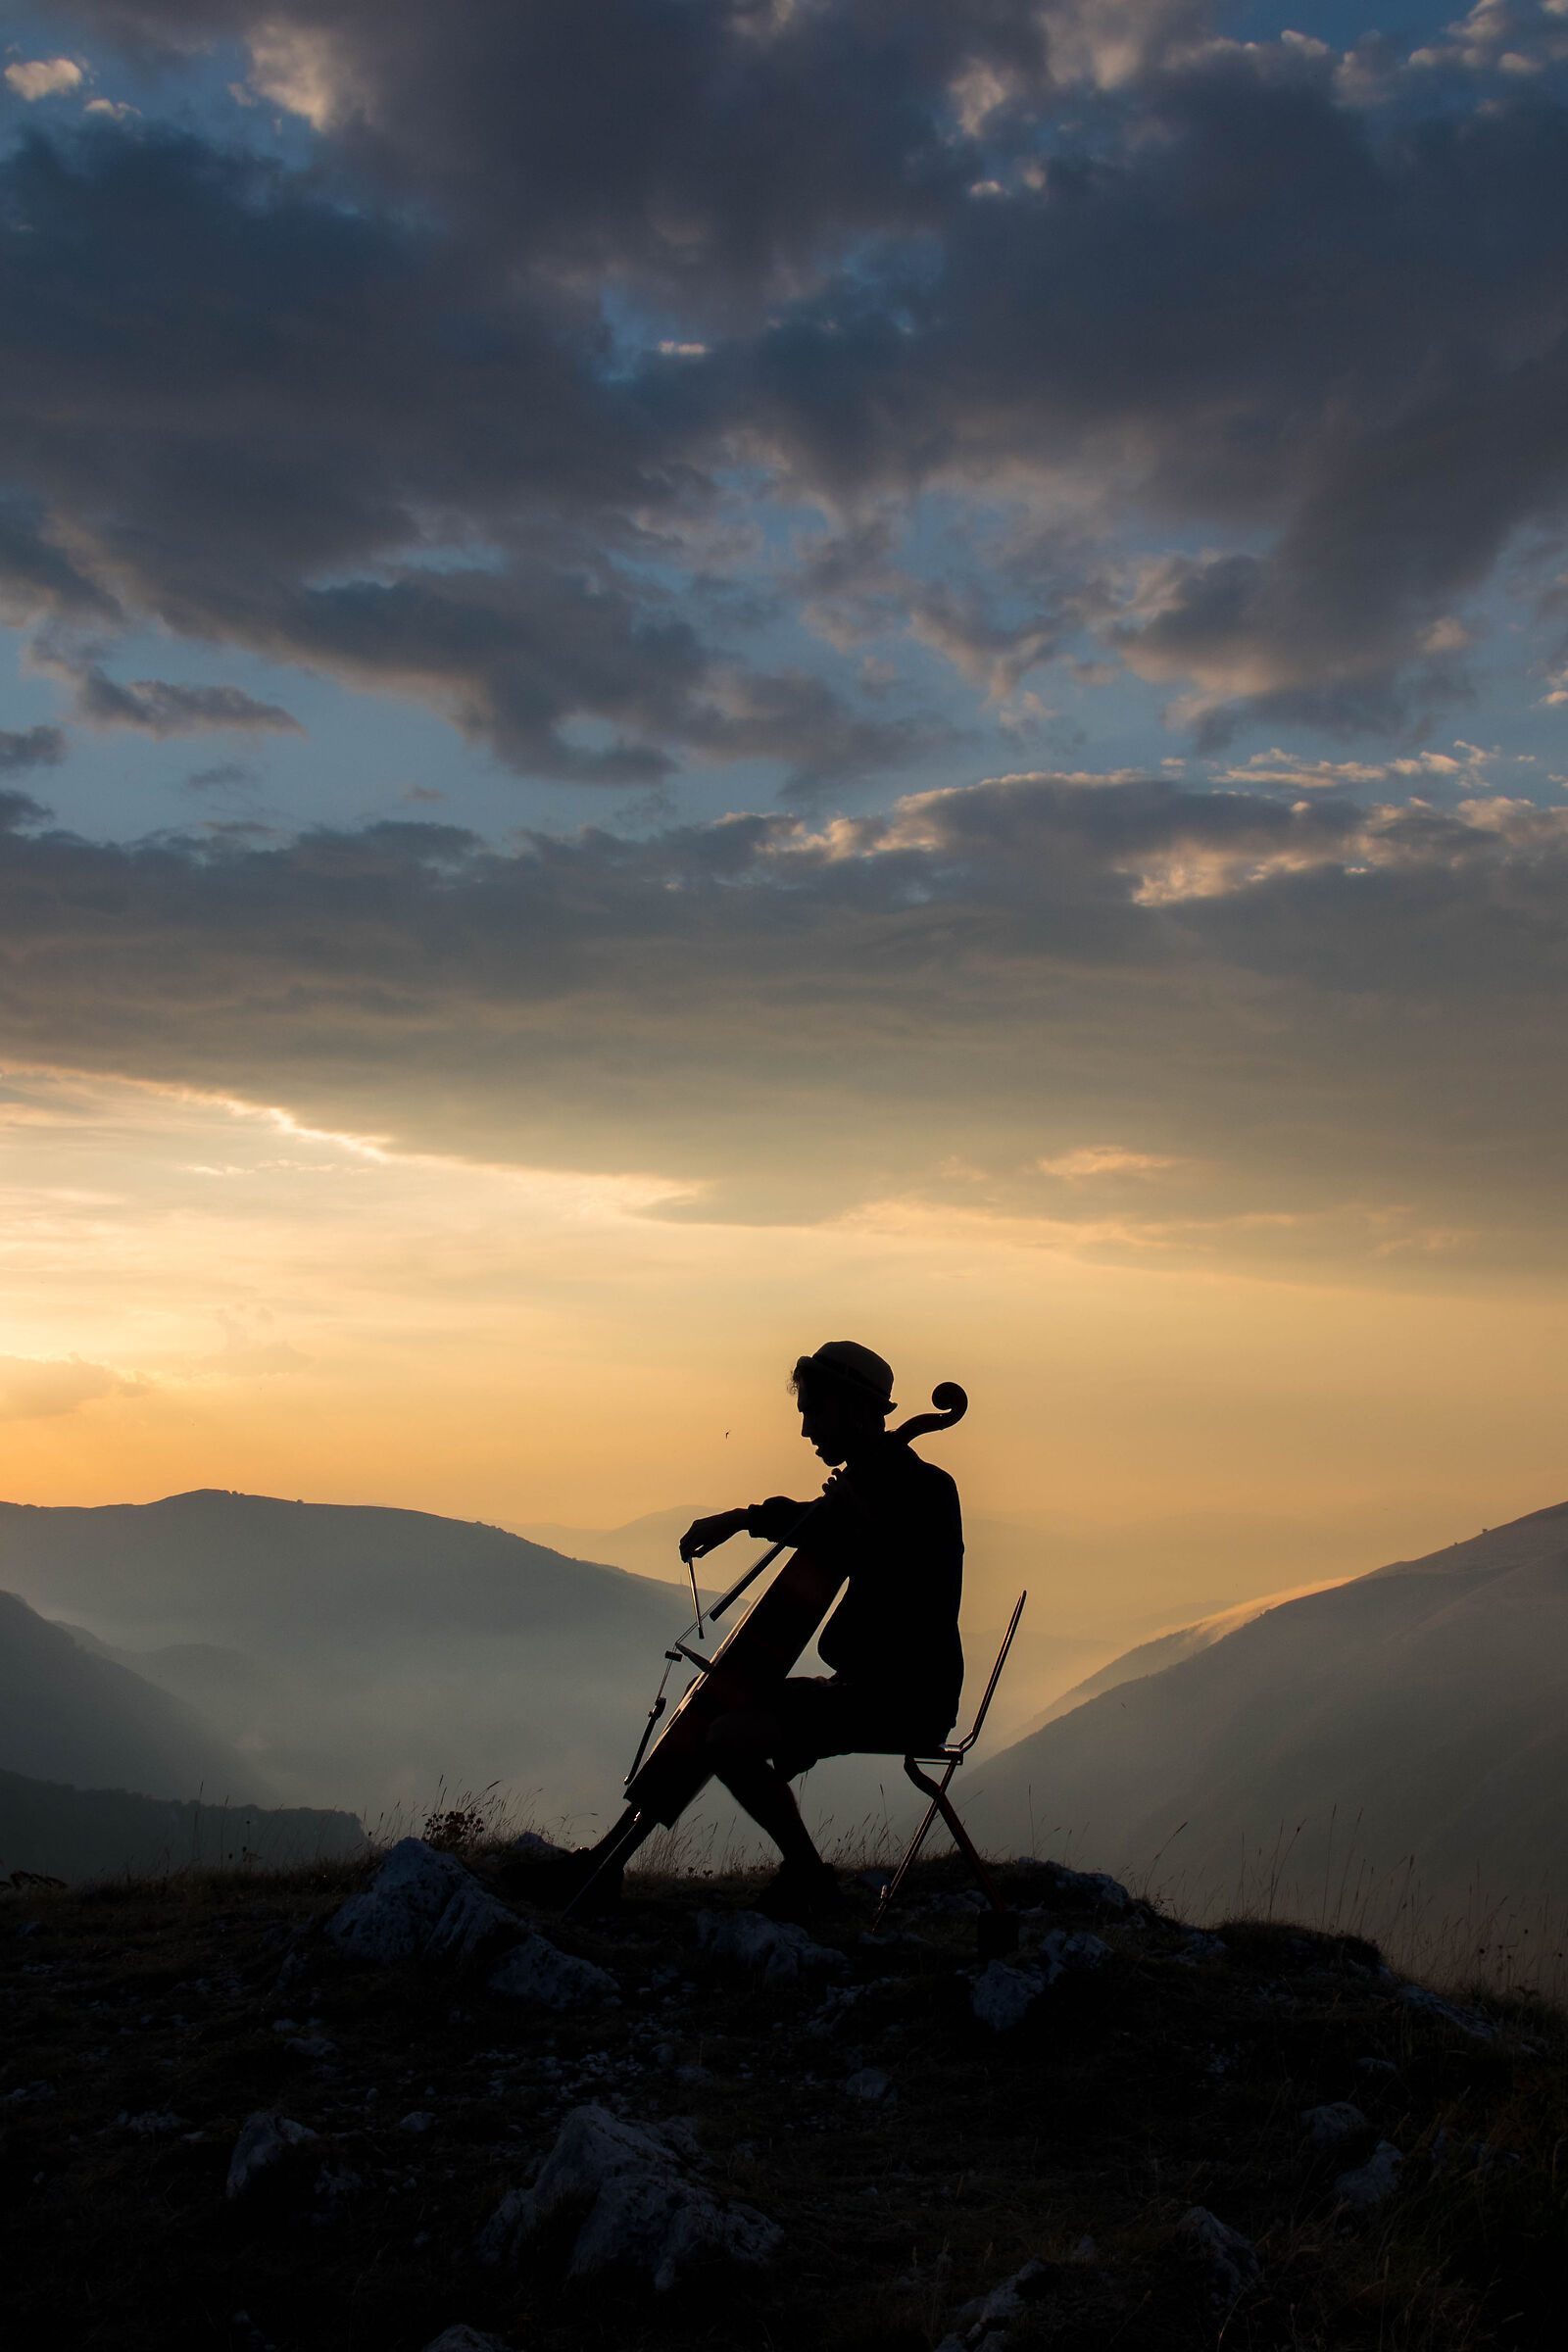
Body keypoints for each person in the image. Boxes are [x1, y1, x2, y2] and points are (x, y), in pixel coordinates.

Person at [679, 1340, 964, 1921]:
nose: (807, 1429)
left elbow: (929, 1598)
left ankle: (812, 1883)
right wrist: (738, 1520)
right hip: (863, 1687)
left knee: (728, 1739)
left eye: (814, 1411)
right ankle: (802, 1877)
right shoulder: (868, 1484)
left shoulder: (929, 1491)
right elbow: (807, 1519)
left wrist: (870, 1536)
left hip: (908, 1698)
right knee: (726, 1705)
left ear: (856, 1410)